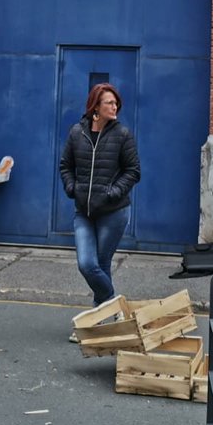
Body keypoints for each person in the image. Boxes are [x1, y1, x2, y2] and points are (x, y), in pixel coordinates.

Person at [59, 83, 140, 319]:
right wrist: (72, 187)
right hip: (83, 211)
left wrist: (113, 192)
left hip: (114, 212)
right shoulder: (77, 132)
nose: (115, 106)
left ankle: (99, 321)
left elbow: (133, 171)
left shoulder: (122, 134)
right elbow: (66, 165)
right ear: (96, 106)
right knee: (87, 264)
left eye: (116, 103)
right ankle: (114, 308)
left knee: (101, 264)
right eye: (109, 102)